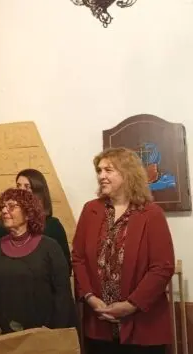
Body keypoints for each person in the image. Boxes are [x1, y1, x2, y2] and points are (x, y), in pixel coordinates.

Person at [73, 147, 175, 354]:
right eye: (99, 171)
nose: (101, 176)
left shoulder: (151, 214)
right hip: (99, 323)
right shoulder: (90, 210)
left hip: (143, 326)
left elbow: (162, 267)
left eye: (108, 170)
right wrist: (90, 298)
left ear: (127, 173)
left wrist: (130, 305)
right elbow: (78, 258)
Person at [0, 188, 75, 339]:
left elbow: (62, 295)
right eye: (2, 207)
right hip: (0, 335)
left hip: (41, 334)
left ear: (28, 213)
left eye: (11, 206)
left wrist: (56, 332)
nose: (4, 211)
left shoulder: (50, 248)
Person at [0, 168, 71, 269]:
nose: (21, 191)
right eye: (18, 186)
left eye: (27, 187)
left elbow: (64, 266)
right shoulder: (2, 224)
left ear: (39, 193)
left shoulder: (53, 226)